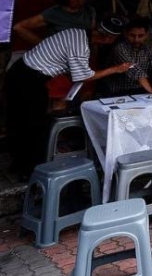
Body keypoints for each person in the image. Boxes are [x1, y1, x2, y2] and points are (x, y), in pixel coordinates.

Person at [4, 15, 131, 179]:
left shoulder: (75, 32)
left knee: (23, 122)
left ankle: (21, 166)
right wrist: (116, 69)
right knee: (31, 125)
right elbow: (83, 77)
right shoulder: (81, 46)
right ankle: (27, 170)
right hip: (27, 78)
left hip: (23, 73)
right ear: (108, 38)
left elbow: (72, 73)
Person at [99, 17, 152, 97]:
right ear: (126, 34)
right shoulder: (119, 48)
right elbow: (134, 69)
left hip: (139, 90)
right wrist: (150, 89)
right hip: (118, 91)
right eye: (132, 35)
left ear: (146, 35)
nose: (136, 39)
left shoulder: (148, 49)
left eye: (140, 36)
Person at [13, 0, 96, 46]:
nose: (81, 1)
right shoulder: (54, 13)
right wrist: (43, 44)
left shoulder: (89, 10)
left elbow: (92, 32)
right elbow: (19, 27)